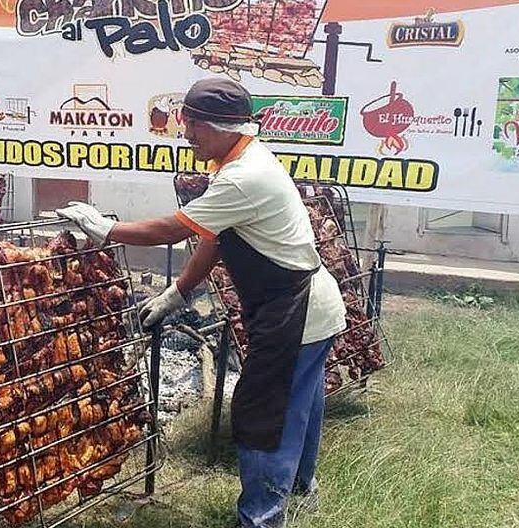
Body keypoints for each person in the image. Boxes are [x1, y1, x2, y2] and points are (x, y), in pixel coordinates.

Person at [56, 77, 347, 528]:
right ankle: (299, 491)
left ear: (217, 127)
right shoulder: (240, 161)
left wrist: (106, 229)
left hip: (297, 310)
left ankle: (261, 518)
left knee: (264, 411)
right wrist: (178, 293)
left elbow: (174, 230)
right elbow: (214, 239)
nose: (187, 135)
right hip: (305, 305)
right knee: (298, 402)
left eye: (192, 126)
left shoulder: (243, 177)